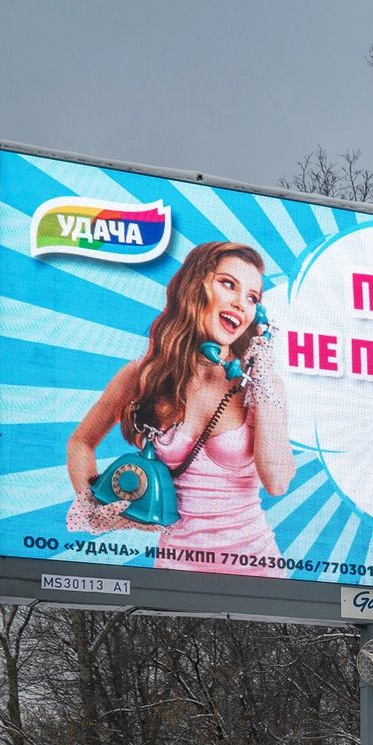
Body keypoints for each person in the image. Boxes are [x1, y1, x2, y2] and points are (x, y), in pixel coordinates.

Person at [66, 241, 294, 571]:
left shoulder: (260, 385)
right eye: (228, 284)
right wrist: (93, 504)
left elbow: (278, 482)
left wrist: (263, 379)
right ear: (195, 285)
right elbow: (80, 443)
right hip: (176, 572)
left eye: (252, 298)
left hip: (258, 570)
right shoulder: (143, 375)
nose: (240, 303)